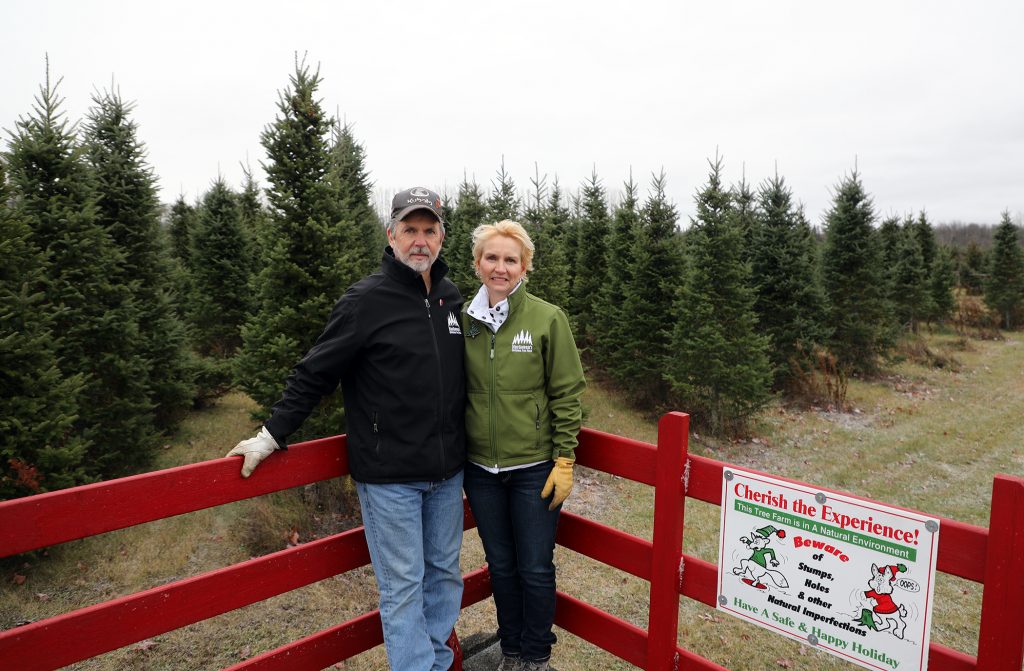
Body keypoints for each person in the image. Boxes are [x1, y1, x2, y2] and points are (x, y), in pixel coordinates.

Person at [226, 187, 467, 671]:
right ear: (390, 234)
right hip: (391, 478)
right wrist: (271, 435)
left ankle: (440, 664)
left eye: (429, 230)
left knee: (444, 578)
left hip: (447, 474)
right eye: (409, 230)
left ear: (442, 236)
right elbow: (314, 372)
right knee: (403, 589)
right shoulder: (365, 301)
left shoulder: (449, 297)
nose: (419, 241)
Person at [461, 220, 586, 671]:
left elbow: (568, 392)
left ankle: (535, 656)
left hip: (534, 467)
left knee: (534, 566)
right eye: (491, 258)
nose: (500, 267)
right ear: (478, 264)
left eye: (510, 259)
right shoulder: (463, 322)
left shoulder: (547, 318)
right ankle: (509, 649)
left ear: (524, 266)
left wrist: (564, 458)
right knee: (500, 565)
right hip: (480, 471)